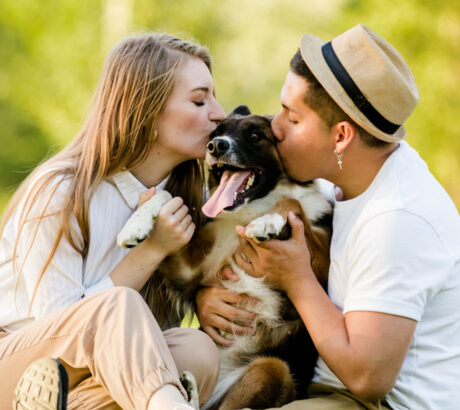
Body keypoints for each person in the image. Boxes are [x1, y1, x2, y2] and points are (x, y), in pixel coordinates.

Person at [196, 24, 460, 409]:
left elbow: (368, 378)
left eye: (292, 118)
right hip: (318, 384)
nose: (275, 127)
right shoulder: (341, 183)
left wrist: (297, 277)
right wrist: (211, 299)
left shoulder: (398, 219)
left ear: (340, 137)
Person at [0, 33, 226, 409]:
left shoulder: (190, 202)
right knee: (118, 307)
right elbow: (64, 325)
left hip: (87, 386)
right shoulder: (60, 190)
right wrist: (151, 250)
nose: (218, 113)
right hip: (21, 365)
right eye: (200, 100)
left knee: (196, 350)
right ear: (147, 109)